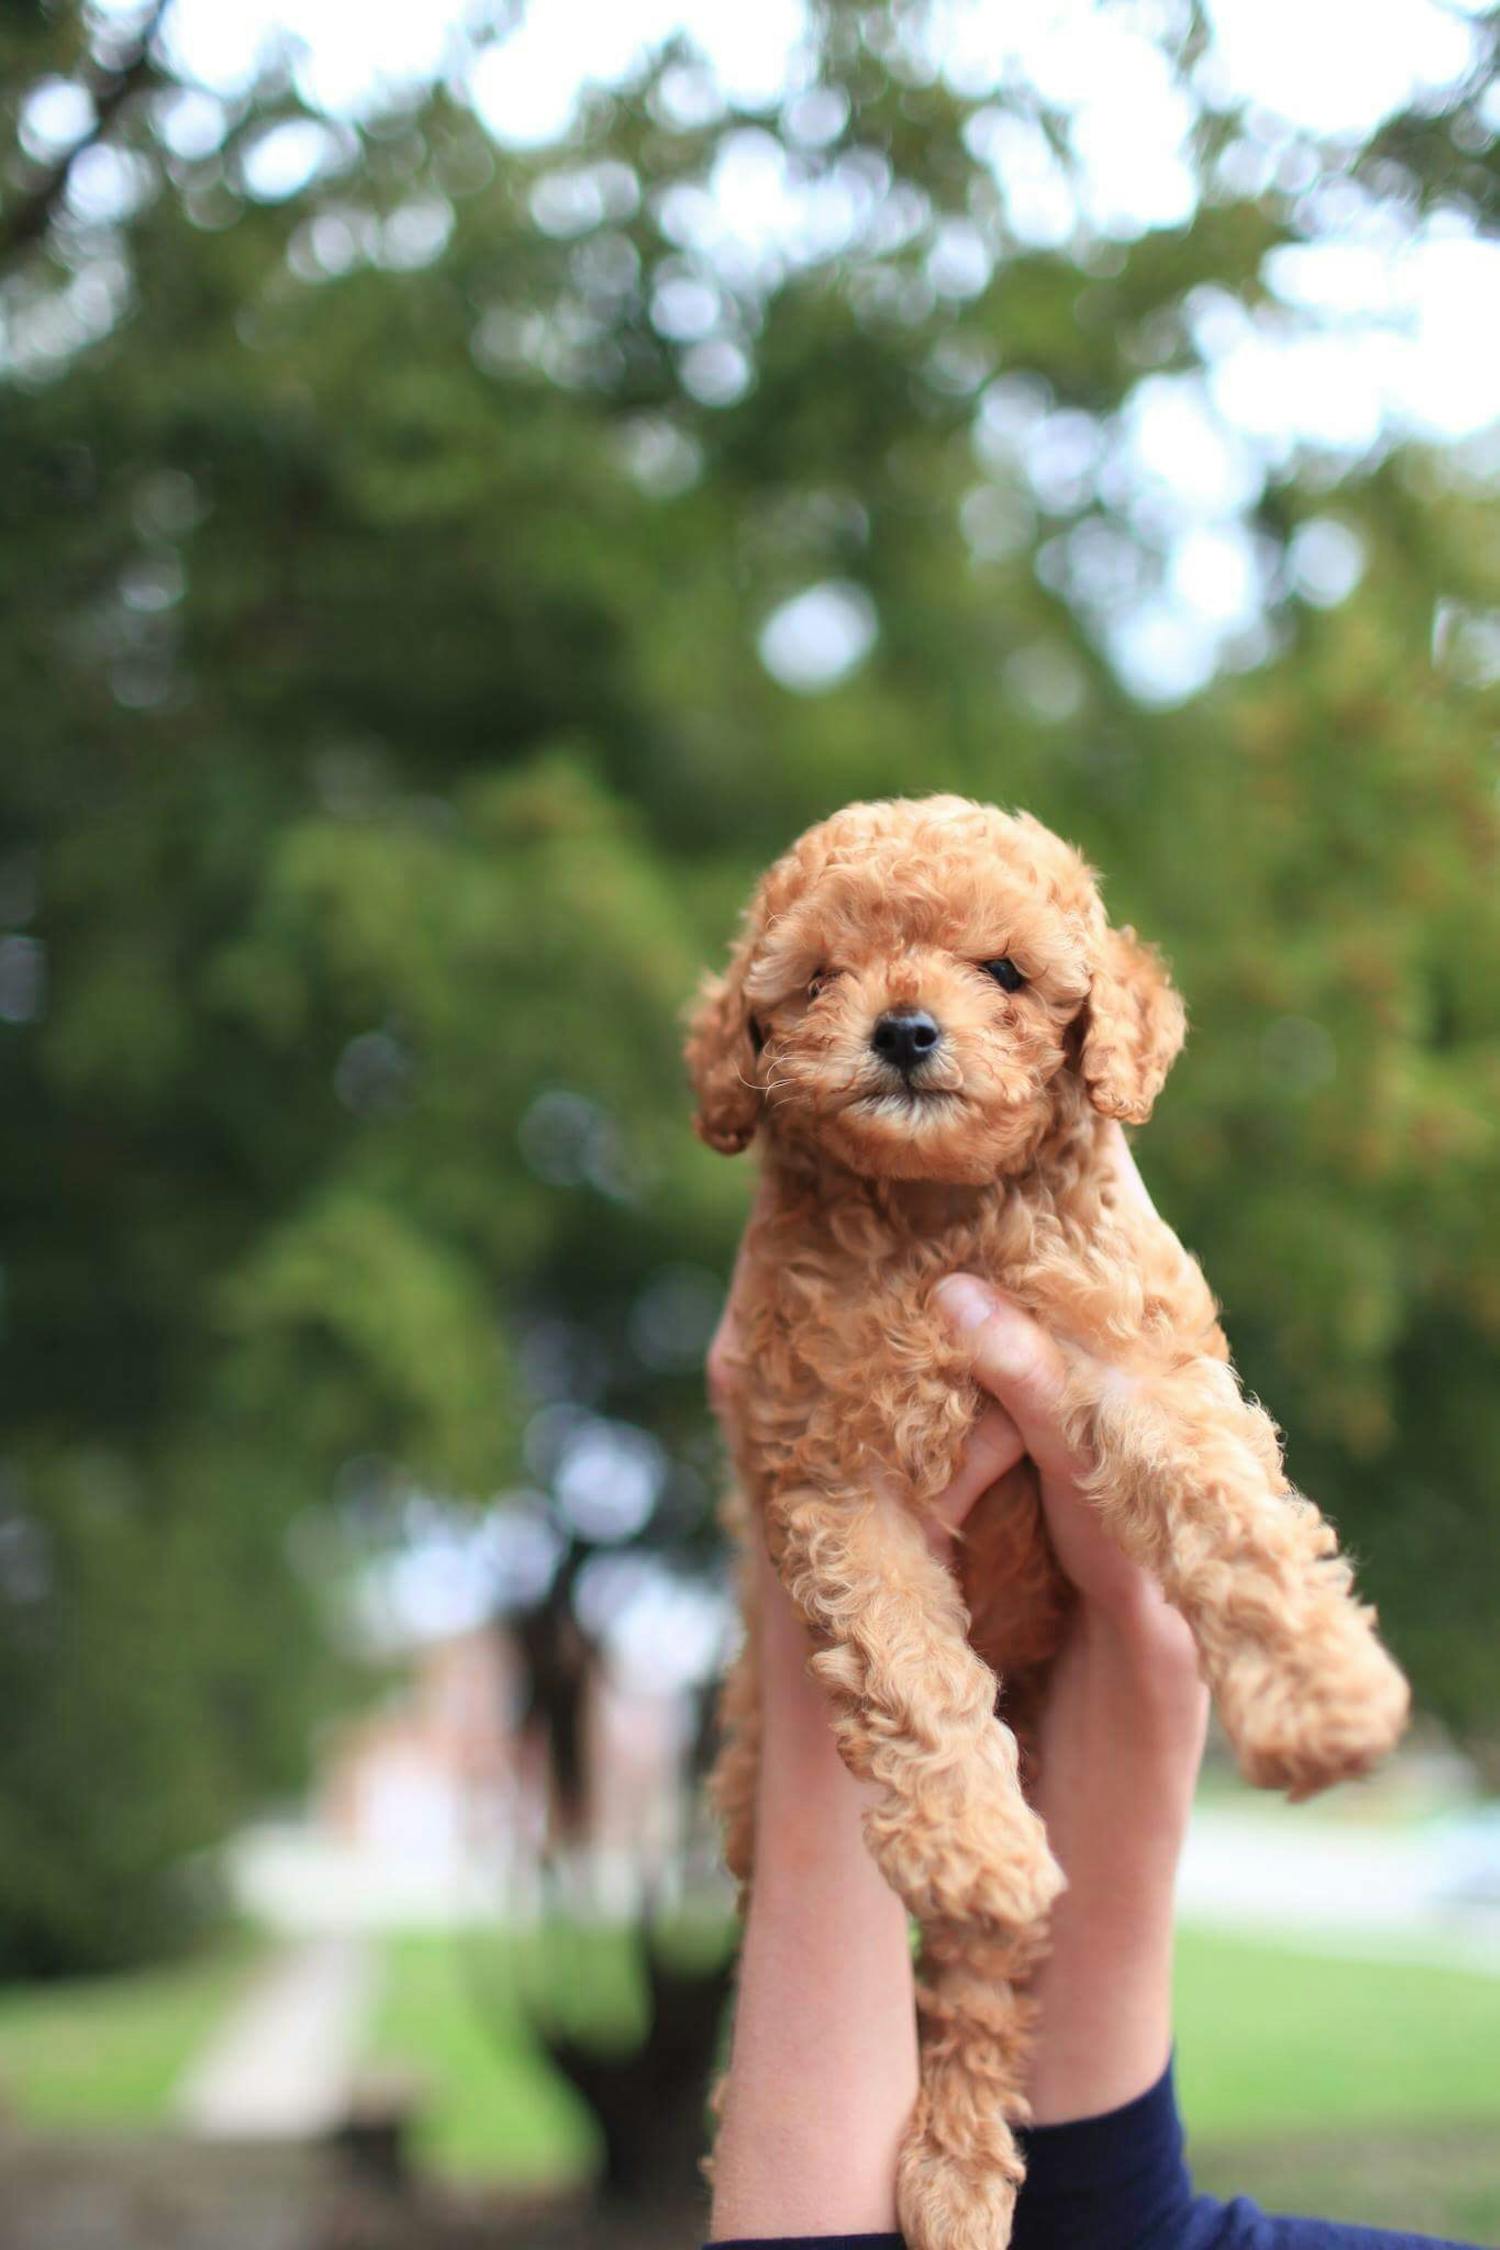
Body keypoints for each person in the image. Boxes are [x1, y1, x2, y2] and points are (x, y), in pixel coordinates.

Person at [702, 1130, 1472, 2250]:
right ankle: (968, 2120)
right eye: (823, 985)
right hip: (971, 1669)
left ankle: (967, 2114)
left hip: (975, 1664)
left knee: (984, 1927)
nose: (910, 1020)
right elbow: (1112, 2235)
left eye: (1005, 977)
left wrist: (808, 1652)